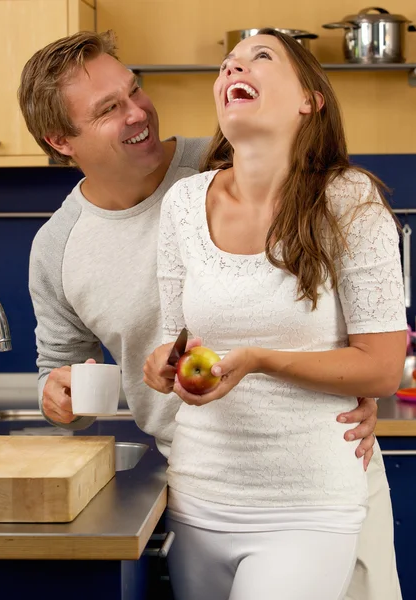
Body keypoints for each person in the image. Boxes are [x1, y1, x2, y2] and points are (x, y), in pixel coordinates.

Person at [17, 30, 400, 600]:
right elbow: (62, 365)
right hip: (201, 478)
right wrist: (57, 394)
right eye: (108, 109)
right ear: (60, 139)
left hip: (322, 468)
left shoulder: (230, 151)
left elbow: (358, 319)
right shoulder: (60, 248)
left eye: (134, 90)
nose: (138, 112)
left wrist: (363, 378)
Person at [143, 27, 407, 600]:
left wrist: (260, 360)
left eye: (259, 58)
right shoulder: (184, 204)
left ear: (309, 100)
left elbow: (383, 368)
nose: (233, 71)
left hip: (308, 502)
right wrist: (162, 363)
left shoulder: (349, 200)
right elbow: (176, 341)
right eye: (226, 65)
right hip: (199, 495)